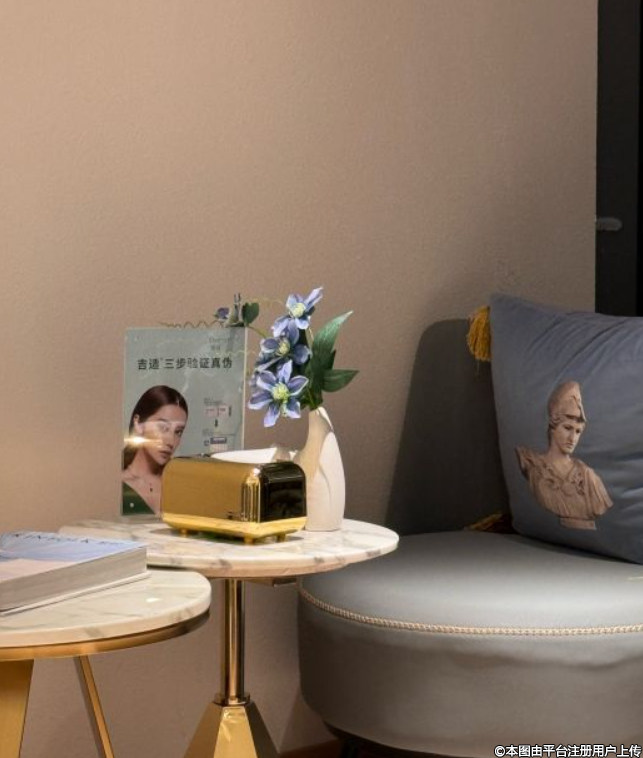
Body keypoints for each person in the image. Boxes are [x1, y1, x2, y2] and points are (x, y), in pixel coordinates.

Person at [516, 381, 612, 530]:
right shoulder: (533, 465)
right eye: (567, 428)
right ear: (553, 427)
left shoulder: (588, 476)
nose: (572, 438)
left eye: (578, 431)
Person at [122, 386, 188, 516]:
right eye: (163, 427)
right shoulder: (115, 485)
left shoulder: (183, 484)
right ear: (138, 424)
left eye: (178, 432)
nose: (170, 441)